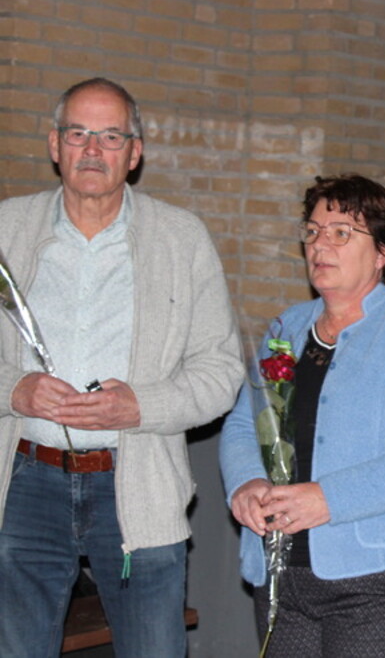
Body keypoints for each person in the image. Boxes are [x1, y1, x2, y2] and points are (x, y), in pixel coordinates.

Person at [0, 78, 243, 657]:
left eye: (111, 136)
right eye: (78, 133)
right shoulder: (6, 229)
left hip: (137, 485)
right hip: (23, 485)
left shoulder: (180, 239)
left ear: (135, 153)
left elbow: (220, 370)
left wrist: (141, 406)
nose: (92, 149)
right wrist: (14, 390)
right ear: (54, 144)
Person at [220, 174, 385, 657]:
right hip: (282, 576)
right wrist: (246, 484)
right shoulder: (286, 327)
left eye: (341, 233)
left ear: (383, 252)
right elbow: (244, 424)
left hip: (380, 583)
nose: (320, 244)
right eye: (313, 231)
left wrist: (327, 498)